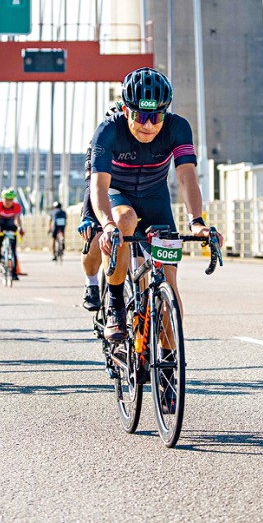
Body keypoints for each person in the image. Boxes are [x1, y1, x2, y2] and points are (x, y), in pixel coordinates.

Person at [91, 67, 219, 342]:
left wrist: (197, 222)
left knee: (169, 282)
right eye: (141, 116)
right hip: (119, 194)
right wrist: (107, 225)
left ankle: (170, 367)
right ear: (126, 111)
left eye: (155, 117)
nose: (148, 125)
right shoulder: (108, 130)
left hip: (155, 199)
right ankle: (115, 305)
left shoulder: (178, 127)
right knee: (124, 220)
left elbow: (187, 178)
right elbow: (99, 186)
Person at [78, 147, 103, 311]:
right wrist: (87, 216)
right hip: (100, 195)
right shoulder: (99, 143)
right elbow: (91, 185)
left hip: (132, 197)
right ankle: (91, 283)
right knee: (96, 237)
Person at [0, 189, 24, 279]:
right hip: (1, 222)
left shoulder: (16, 206)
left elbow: (17, 219)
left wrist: (19, 228)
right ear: (3, 199)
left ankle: (14, 273)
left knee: (13, 250)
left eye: (10, 200)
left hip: (11, 223)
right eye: (6, 199)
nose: (8, 202)